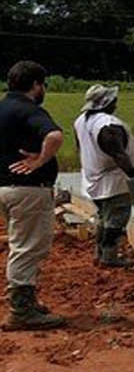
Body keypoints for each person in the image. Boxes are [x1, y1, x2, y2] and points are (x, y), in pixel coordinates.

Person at [1, 60, 66, 330]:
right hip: (28, 191)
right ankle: (21, 310)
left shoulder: (2, 108)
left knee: (22, 244)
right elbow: (55, 135)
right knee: (27, 248)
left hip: (5, 188)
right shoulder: (28, 109)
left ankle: (26, 301)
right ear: (36, 85)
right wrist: (40, 160)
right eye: (43, 85)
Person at [73, 84, 134, 267]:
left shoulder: (81, 121)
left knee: (104, 217)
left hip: (93, 179)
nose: (116, 103)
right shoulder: (108, 126)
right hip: (114, 181)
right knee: (116, 219)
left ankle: (100, 254)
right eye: (113, 101)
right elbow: (119, 154)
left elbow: (80, 148)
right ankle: (109, 256)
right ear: (107, 103)